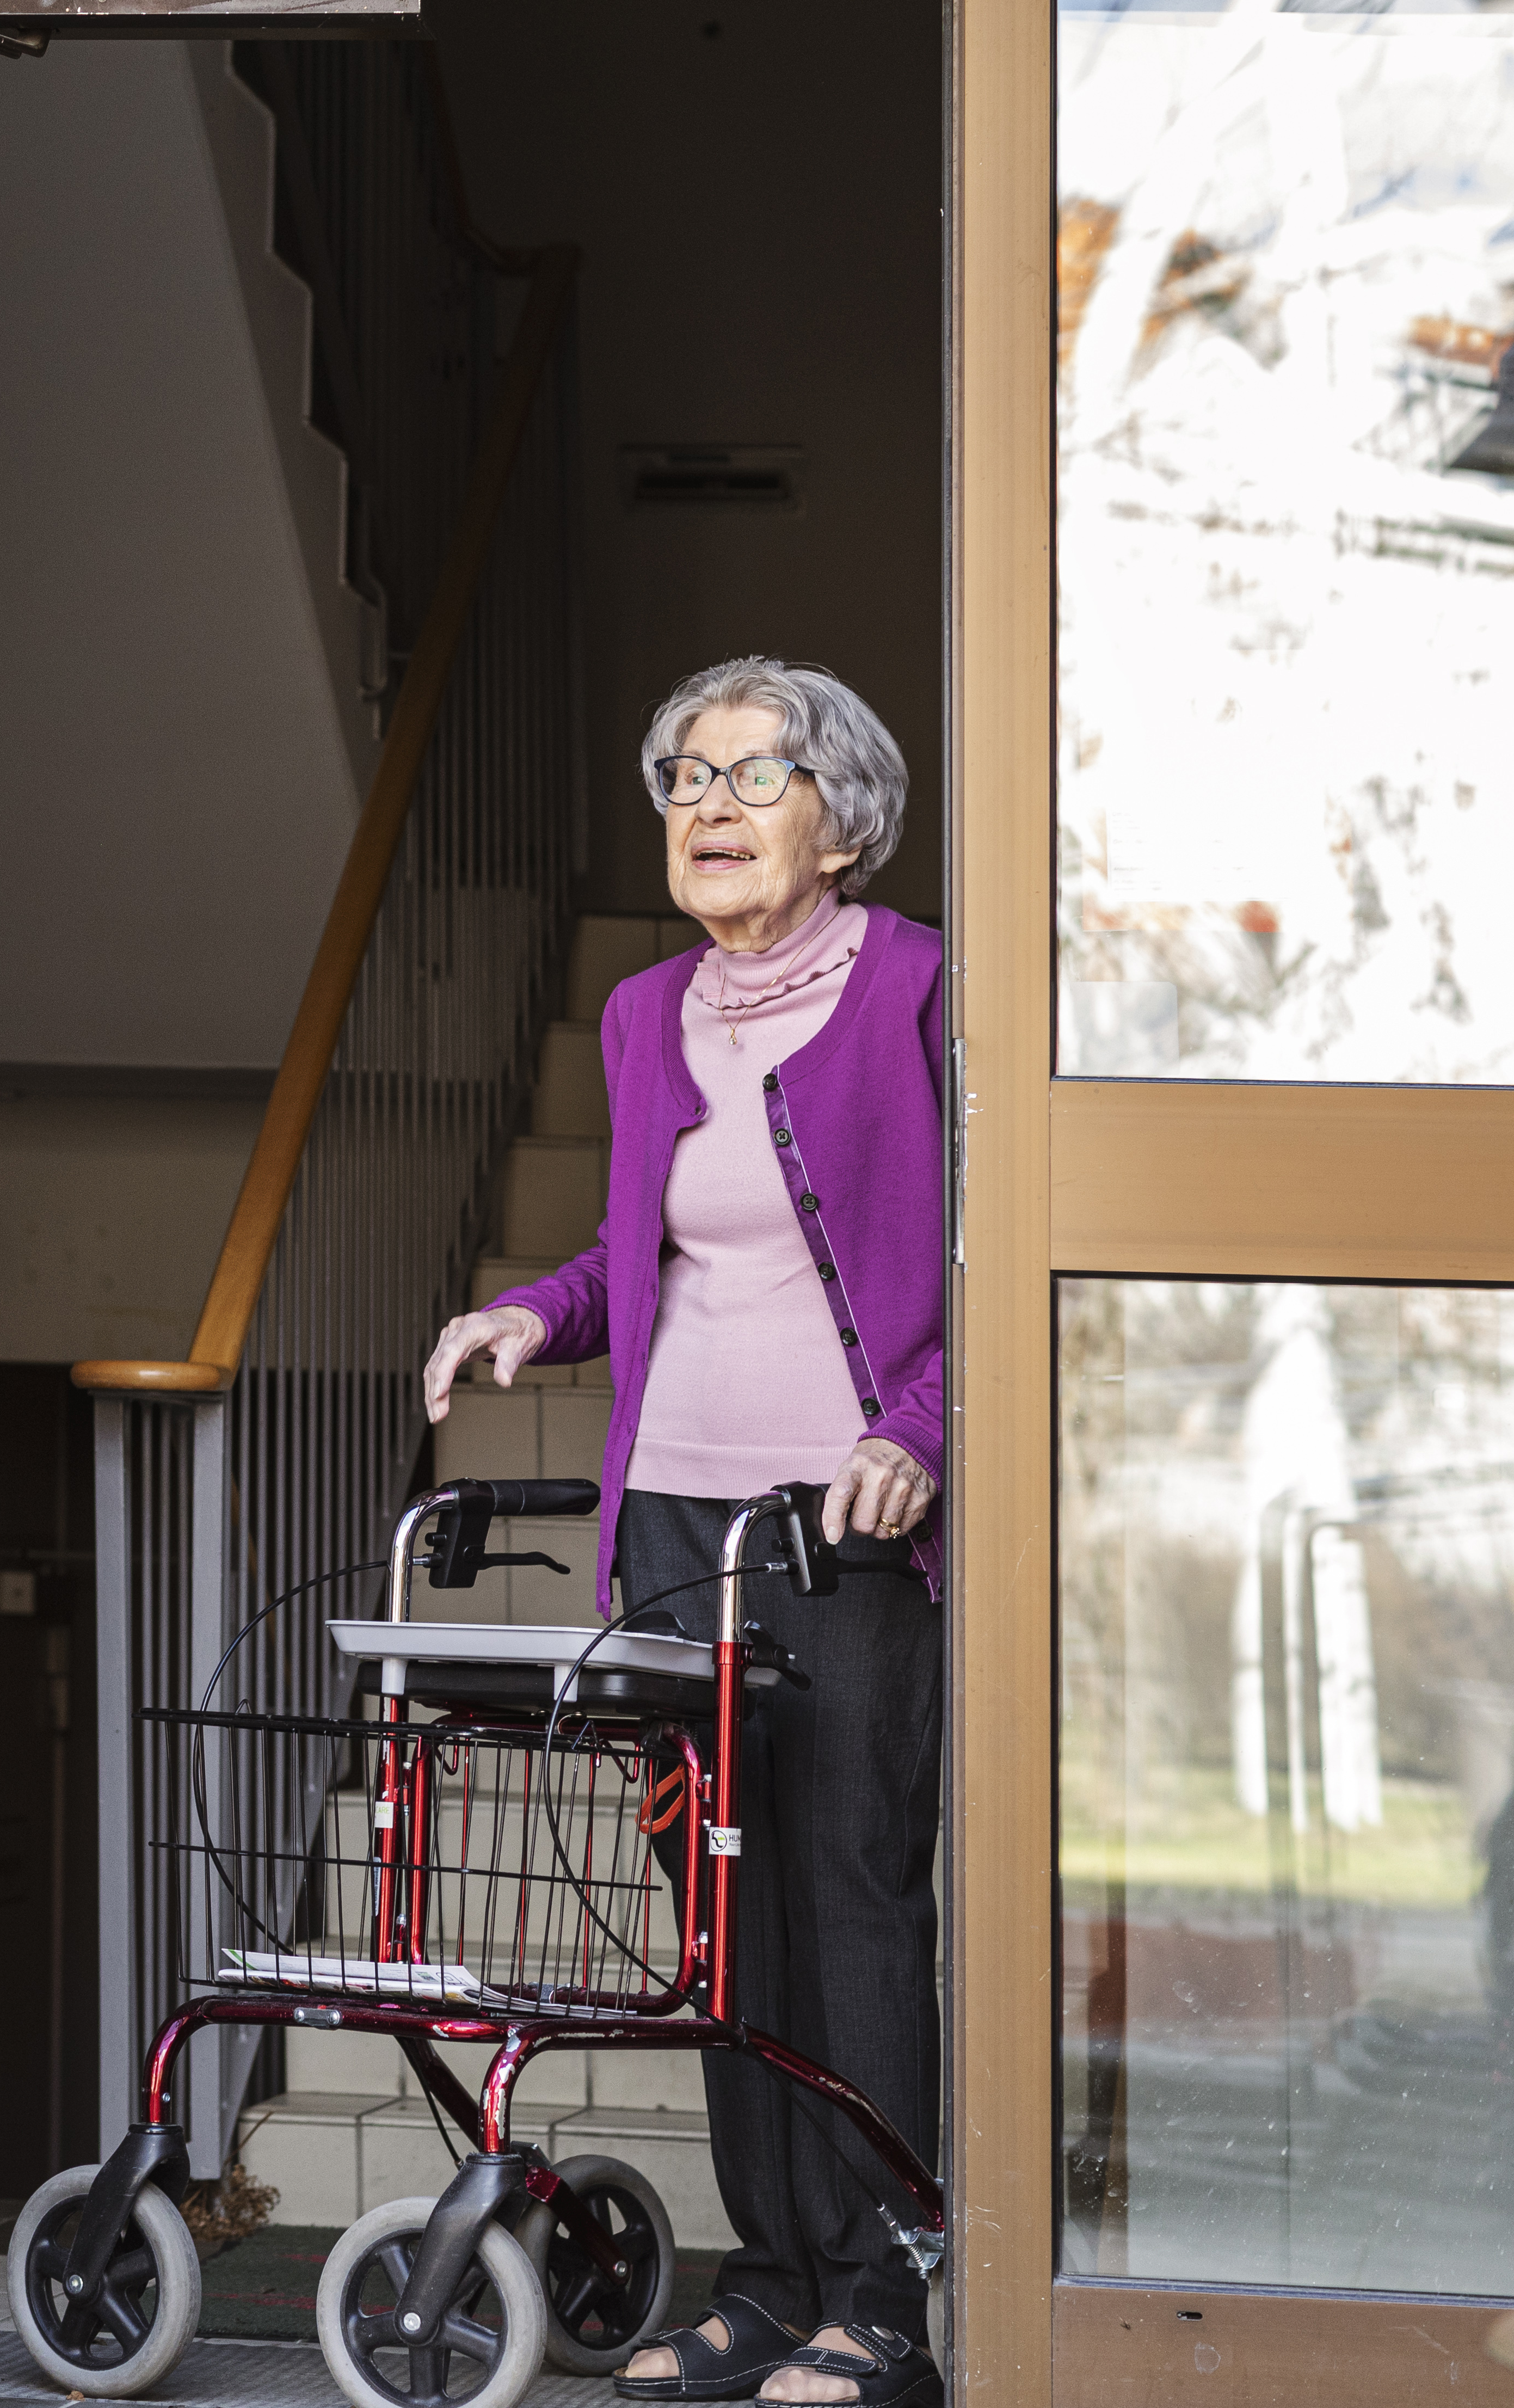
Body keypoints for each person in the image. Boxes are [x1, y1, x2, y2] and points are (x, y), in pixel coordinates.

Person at [420, 659, 946, 2408]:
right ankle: (771, 2281)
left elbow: (990, 1255)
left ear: (841, 821)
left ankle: (882, 2301)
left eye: (751, 775)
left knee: (850, 1900)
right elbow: (632, 1254)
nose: (708, 808)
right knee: (719, 1910)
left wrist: (918, 1431)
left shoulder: (923, 991)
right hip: (671, 1518)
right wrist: (530, 1314)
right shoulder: (645, 1013)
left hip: (842, 1525)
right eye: (682, 779)